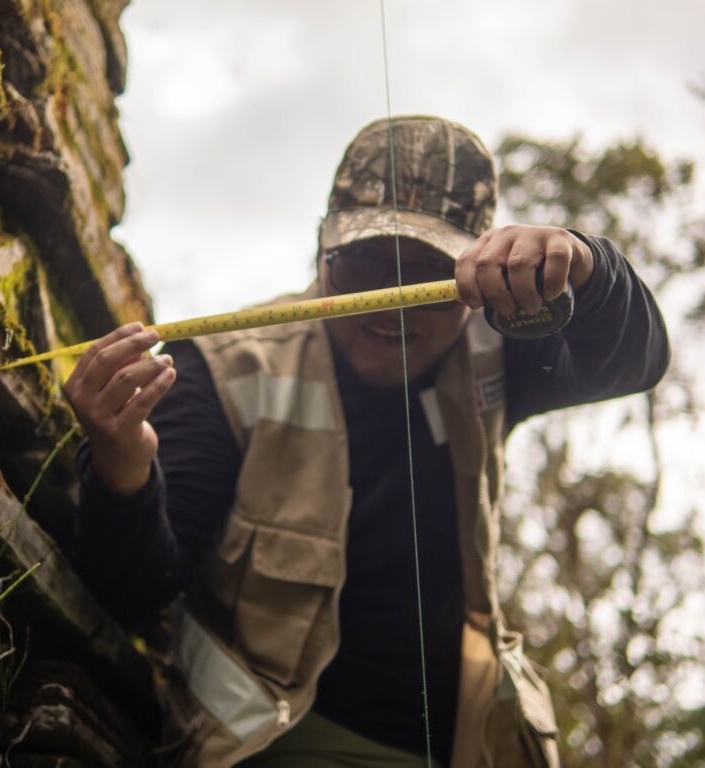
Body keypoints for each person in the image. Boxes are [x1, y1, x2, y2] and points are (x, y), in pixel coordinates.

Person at [62, 116, 669, 768]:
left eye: (430, 278)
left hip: (474, 744)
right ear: (320, 254)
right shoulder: (222, 369)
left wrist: (586, 265)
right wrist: (121, 470)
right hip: (281, 741)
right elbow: (136, 592)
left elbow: (634, 364)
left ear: (474, 281)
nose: (392, 305)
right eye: (364, 266)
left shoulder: (495, 348)